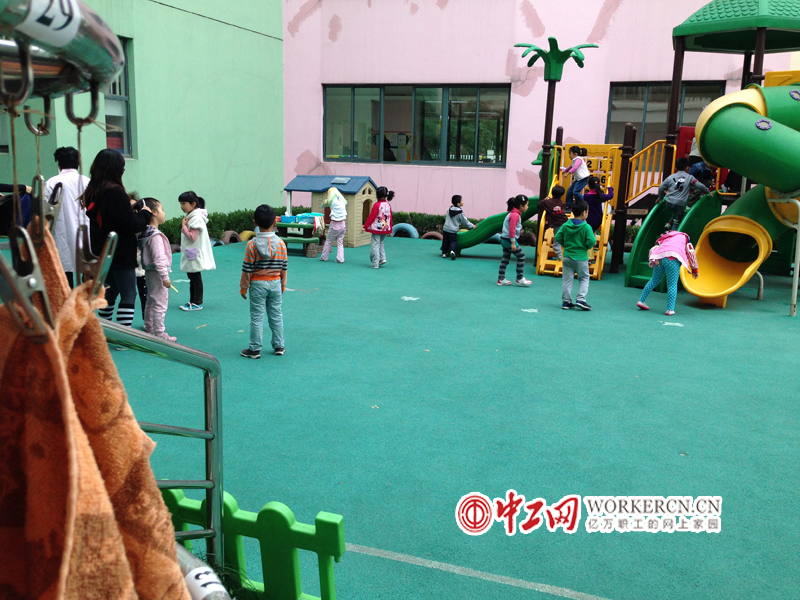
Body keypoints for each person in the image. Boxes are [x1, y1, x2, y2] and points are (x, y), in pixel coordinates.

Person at [84, 149, 151, 327]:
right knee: (128, 294)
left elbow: (112, 218)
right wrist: (144, 214)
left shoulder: (93, 190)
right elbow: (130, 224)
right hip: (120, 251)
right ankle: (123, 335)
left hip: (102, 250)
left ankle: (105, 332)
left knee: (110, 293)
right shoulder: (115, 191)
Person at [240, 204, 287, 358]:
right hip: (275, 283)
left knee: (257, 317)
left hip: (257, 285)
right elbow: (284, 266)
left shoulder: (251, 245)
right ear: (275, 222)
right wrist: (283, 284)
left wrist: (243, 287)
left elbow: (247, 269)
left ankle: (254, 349)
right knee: (276, 315)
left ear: (255, 222)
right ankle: (279, 345)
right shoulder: (281, 243)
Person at [46, 147, 90, 287]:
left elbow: (45, 212)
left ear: (59, 164)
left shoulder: (52, 183)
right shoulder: (88, 182)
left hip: (62, 235)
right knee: (88, 275)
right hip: (87, 235)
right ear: (78, 163)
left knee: (65, 278)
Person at [137, 198, 176, 341]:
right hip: (158, 273)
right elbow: (159, 258)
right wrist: (165, 276)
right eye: (162, 210)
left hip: (149, 271)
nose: (164, 213)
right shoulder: (155, 236)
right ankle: (159, 333)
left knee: (151, 300)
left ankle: (149, 326)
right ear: (154, 212)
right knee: (160, 302)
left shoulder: (145, 232)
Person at [637, 231, 699, 316]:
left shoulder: (667, 237)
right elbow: (691, 252)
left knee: (654, 279)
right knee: (672, 284)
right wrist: (694, 269)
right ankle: (670, 309)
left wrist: (654, 257)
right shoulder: (685, 238)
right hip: (672, 258)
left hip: (659, 257)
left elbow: (656, 247)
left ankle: (641, 300)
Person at [178, 190, 216, 311]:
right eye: (181, 203)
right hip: (192, 252)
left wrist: (184, 227)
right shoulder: (193, 216)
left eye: (184, 203)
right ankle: (193, 301)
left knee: (195, 278)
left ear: (193, 204)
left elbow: (192, 236)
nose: (182, 206)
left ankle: (197, 302)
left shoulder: (196, 218)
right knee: (193, 278)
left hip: (194, 253)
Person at [555, 199, 595, 310]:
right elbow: (592, 241)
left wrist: (565, 245)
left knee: (567, 279)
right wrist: (586, 246)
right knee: (584, 278)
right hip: (581, 257)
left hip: (567, 256)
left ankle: (566, 301)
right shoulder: (586, 227)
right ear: (584, 212)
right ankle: (581, 299)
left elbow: (558, 237)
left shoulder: (566, 225)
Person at [658, 157, 709, 231]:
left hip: (668, 203)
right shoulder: (690, 177)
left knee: (676, 212)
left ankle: (669, 224)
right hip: (679, 204)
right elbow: (699, 186)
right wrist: (707, 191)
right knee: (678, 220)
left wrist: (661, 197)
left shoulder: (670, 177)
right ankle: (672, 232)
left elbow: (661, 187)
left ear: (676, 168)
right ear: (687, 168)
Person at [497, 195, 532, 286]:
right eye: (527, 205)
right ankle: (520, 278)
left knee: (505, 258)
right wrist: (513, 242)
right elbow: (512, 229)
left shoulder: (512, 213)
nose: (527, 207)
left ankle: (501, 279)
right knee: (521, 256)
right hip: (509, 240)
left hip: (505, 239)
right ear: (521, 206)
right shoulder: (515, 215)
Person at [363, 186, 394, 269]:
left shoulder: (377, 205)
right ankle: (382, 258)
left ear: (377, 195)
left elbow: (371, 216)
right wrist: (390, 228)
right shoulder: (388, 205)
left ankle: (375, 263)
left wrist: (365, 226)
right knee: (381, 243)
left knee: (375, 245)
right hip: (385, 228)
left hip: (377, 229)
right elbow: (390, 217)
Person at [538, 185, 568, 260]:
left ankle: (560, 257)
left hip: (558, 224)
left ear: (552, 193)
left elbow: (539, 205)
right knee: (564, 238)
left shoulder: (548, 202)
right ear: (561, 195)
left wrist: (545, 199)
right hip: (565, 221)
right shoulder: (560, 202)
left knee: (556, 243)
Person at [442, 194, 475, 260]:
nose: (463, 201)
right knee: (453, 241)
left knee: (445, 241)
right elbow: (465, 221)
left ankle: (444, 253)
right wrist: (472, 226)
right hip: (453, 230)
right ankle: (452, 251)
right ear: (458, 203)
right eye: (462, 200)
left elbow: (447, 218)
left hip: (446, 229)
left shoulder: (449, 210)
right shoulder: (460, 213)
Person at [320, 186, 347, 263]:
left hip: (335, 223)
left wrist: (324, 202)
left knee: (329, 241)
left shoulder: (331, 201)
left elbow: (323, 204)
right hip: (343, 224)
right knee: (340, 242)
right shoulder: (342, 200)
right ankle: (340, 258)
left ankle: (324, 257)